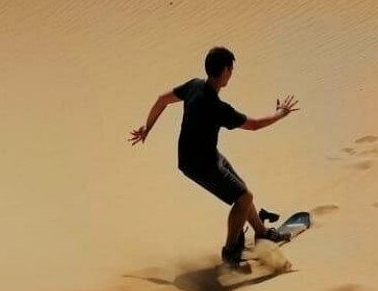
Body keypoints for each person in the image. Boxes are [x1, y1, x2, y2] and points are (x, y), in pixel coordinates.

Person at [128, 46, 299, 267]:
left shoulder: (194, 86)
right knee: (244, 198)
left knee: (242, 191)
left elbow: (162, 100)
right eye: (232, 69)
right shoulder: (218, 107)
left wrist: (147, 127)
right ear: (226, 70)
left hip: (200, 156)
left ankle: (261, 232)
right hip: (200, 164)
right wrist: (281, 114)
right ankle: (230, 252)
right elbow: (254, 125)